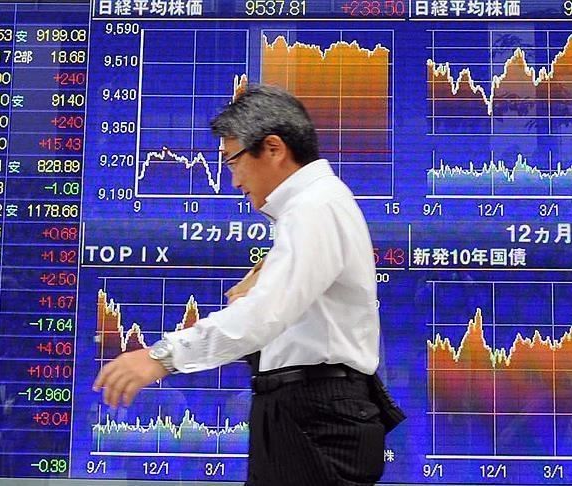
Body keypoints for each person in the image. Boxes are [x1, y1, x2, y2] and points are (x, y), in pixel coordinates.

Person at [92, 84, 401, 486]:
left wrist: (162, 357)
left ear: (273, 149)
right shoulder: (313, 208)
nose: (234, 180)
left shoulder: (315, 208)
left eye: (233, 161)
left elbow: (264, 315)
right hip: (306, 411)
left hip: (316, 415)